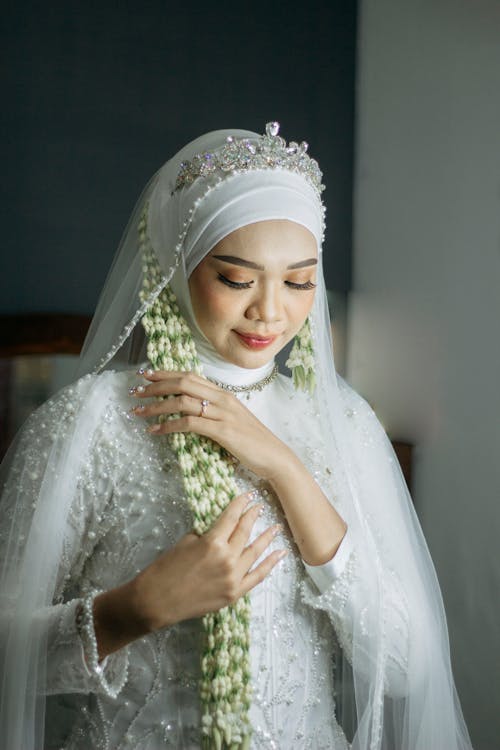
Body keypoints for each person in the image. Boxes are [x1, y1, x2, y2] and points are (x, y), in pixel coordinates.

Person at [0, 122, 472, 750]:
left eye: (299, 281)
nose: (271, 312)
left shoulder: (341, 424)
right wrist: (132, 610)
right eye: (237, 278)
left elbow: (409, 668)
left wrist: (284, 468)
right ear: (178, 262)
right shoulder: (91, 425)